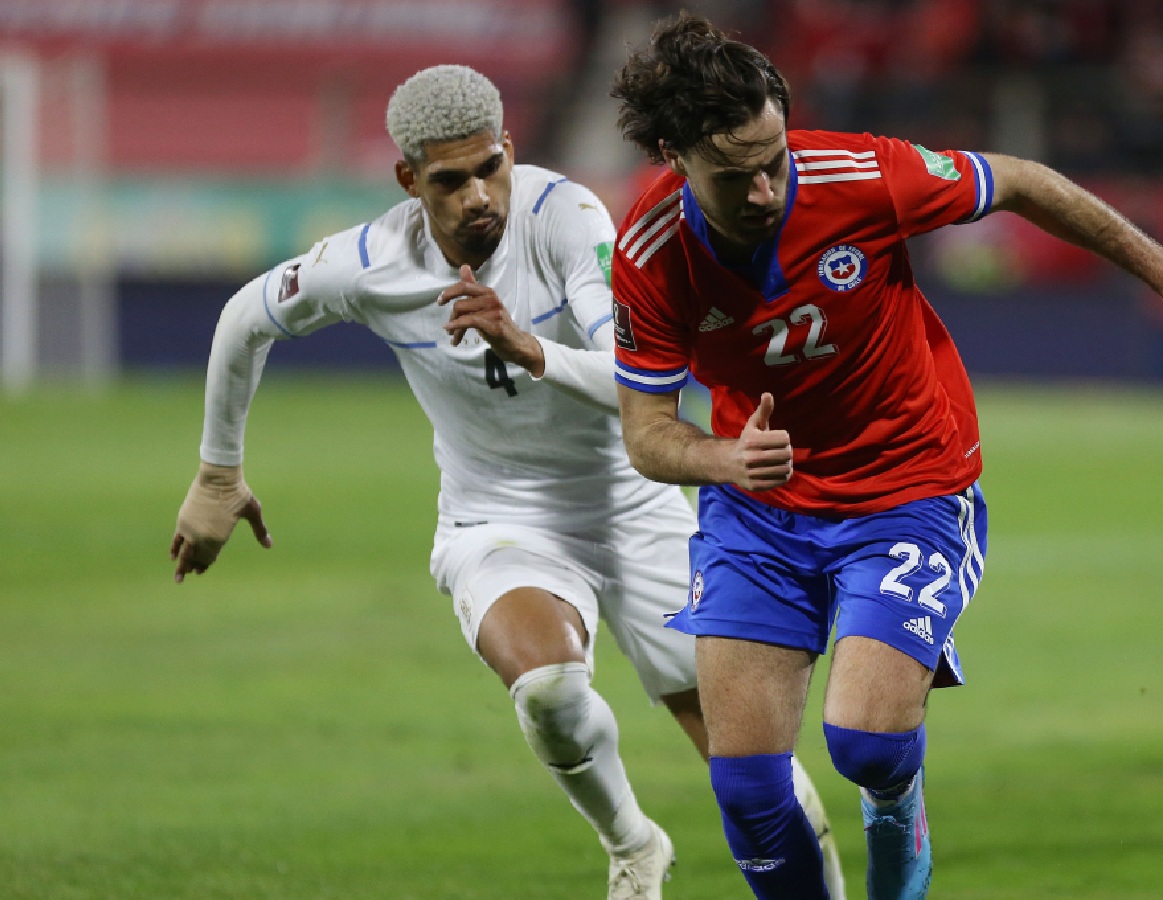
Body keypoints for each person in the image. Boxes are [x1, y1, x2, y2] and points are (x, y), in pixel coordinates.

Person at [166, 65, 843, 900]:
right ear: (410, 180)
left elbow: (642, 385)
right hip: (500, 517)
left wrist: (531, 348)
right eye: (450, 181)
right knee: (551, 689)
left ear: (510, 151)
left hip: (633, 504)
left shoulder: (569, 220)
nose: (479, 196)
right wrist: (217, 475)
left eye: (491, 168)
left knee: (753, 770)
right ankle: (634, 845)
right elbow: (246, 318)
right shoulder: (369, 264)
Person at [607, 14, 1163, 899]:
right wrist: (722, 460)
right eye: (734, 176)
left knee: (865, 745)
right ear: (675, 155)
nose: (763, 192)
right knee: (748, 788)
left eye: (774, 160)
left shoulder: (860, 174)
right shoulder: (648, 253)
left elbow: (1020, 182)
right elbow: (644, 433)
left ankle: (897, 804)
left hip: (907, 488)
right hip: (759, 510)